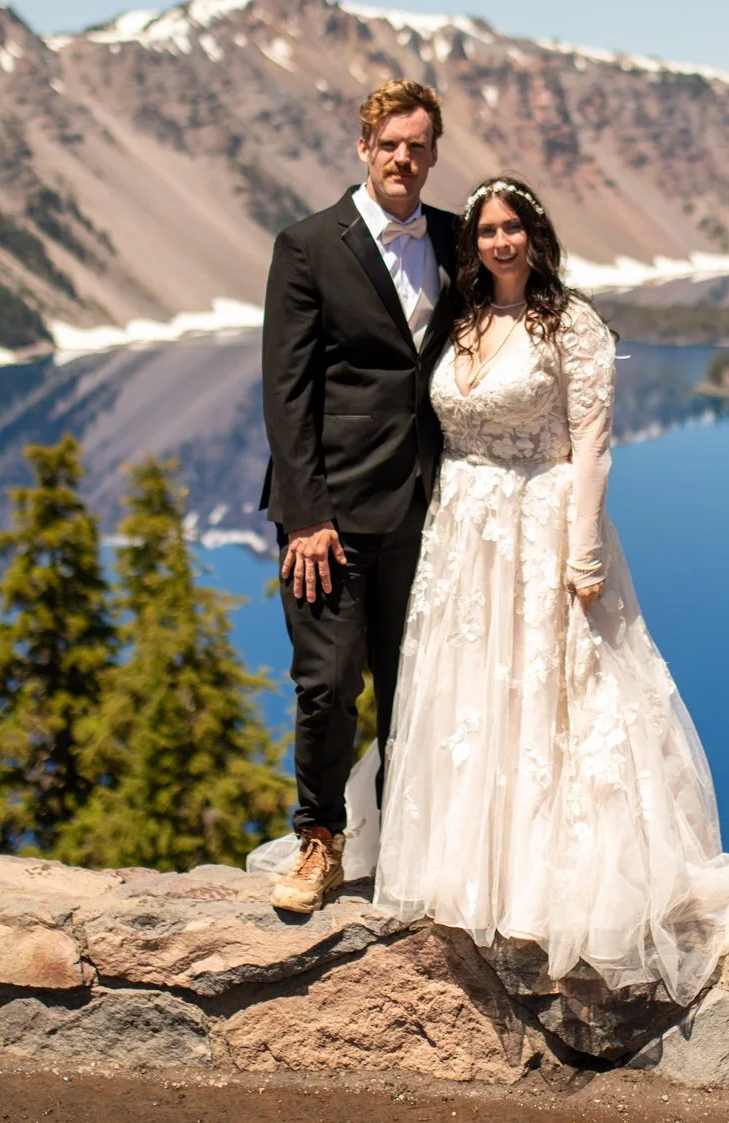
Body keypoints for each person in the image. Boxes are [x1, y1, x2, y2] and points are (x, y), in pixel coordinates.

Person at [374, 175, 729, 1002]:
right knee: (470, 703)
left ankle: (539, 886)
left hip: (541, 525)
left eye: (513, 227)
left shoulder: (574, 323)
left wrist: (584, 550)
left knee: (556, 700)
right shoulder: (460, 320)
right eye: (486, 229)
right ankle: (466, 875)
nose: (499, 241)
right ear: (474, 243)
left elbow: (593, 447)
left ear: (535, 235)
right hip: (462, 534)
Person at [256, 79, 459, 915]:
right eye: (390, 143)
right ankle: (320, 840)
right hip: (330, 513)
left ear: (433, 153)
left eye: (419, 145)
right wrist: (305, 515)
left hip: (428, 505)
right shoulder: (307, 244)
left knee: (416, 685)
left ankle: (410, 845)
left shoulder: (456, 236)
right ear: (363, 146)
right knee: (329, 683)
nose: (404, 157)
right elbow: (286, 388)